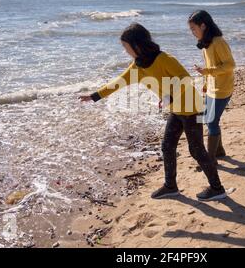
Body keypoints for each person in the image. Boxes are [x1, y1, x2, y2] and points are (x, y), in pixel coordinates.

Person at [79, 23, 227, 201]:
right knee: (167, 146)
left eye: (126, 46)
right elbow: (118, 82)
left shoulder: (164, 59)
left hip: (192, 108)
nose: (125, 51)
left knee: (196, 150)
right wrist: (94, 96)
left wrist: (169, 97)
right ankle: (170, 186)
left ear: (137, 45)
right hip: (176, 109)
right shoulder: (138, 66)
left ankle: (217, 188)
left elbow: (185, 79)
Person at [188, 10, 236, 165]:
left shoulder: (218, 42)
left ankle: (210, 159)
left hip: (222, 89)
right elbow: (211, 66)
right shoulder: (206, 44)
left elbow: (230, 65)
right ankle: (219, 151)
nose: (193, 33)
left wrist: (207, 72)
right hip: (211, 88)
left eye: (194, 29)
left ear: (203, 26)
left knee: (211, 122)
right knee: (206, 119)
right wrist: (206, 83)